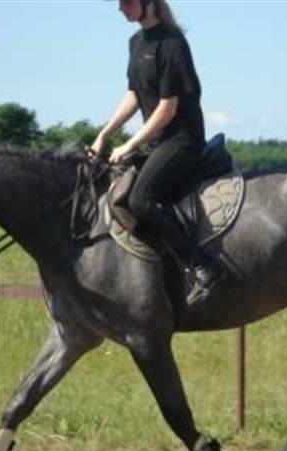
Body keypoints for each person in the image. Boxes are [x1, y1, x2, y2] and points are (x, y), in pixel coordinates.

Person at [90, 0, 222, 305]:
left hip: (181, 140)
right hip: (156, 142)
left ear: (148, 3)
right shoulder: (136, 42)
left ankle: (201, 265)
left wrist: (129, 144)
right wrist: (104, 135)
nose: (120, 8)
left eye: (126, 2)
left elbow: (167, 108)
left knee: (142, 198)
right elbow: (133, 95)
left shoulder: (172, 43)